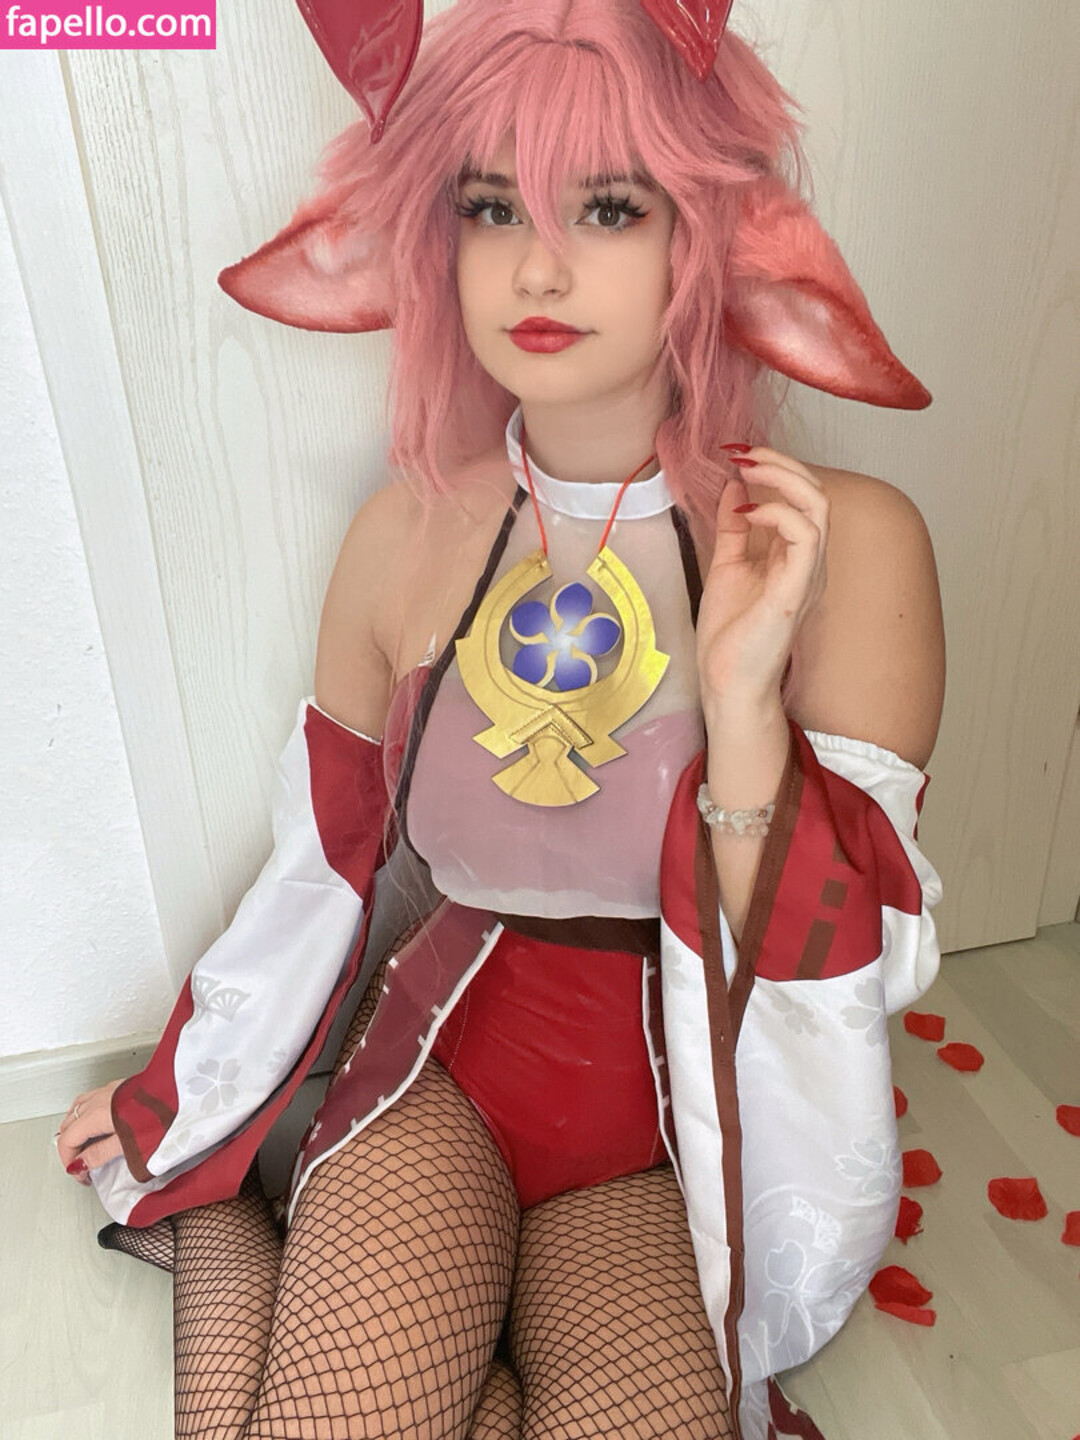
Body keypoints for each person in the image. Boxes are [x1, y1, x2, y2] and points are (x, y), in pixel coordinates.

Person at [54, 1, 946, 1436]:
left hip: (678, 1138)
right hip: (441, 1072)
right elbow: (322, 871)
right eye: (490, 206)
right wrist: (183, 1095)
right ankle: (215, 1217)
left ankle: (261, 1259)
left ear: (708, 232)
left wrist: (743, 708)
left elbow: (853, 965)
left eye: (608, 206)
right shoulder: (401, 536)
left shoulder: (848, 544)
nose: (537, 264)